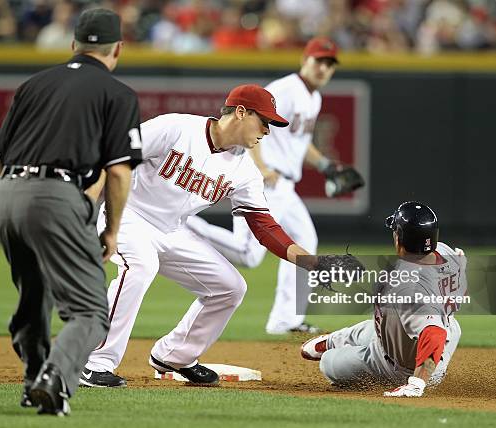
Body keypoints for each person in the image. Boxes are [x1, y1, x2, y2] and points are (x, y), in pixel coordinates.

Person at [79, 84, 362, 387]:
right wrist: (85, 204)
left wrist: (313, 263)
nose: (268, 131)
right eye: (264, 121)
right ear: (240, 112)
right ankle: (94, 362)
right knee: (140, 266)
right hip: (129, 216)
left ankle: (174, 355)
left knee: (230, 286)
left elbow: (264, 227)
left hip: (174, 229)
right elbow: (115, 156)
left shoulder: (245, 171)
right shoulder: (176, 127)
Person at [0, 8, 142, 416]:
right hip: (54, 197)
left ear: (73, 44)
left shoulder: (33, 84)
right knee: (90, 309)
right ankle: (54, 378)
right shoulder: (117, 93)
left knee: (33, 295)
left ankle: (32, 379)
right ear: (118, 49)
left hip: (3, 197)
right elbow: (120, 173)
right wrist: (111, 229)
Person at [186, 37, 364, 335]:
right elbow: (255, 121)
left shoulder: (314, 98)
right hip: (268, 179)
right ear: (304, 60)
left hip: (286, 185)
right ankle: (185, 223)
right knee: (248, 253)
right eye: (319, 60)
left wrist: (326, 166)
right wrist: (260, 166)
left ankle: (286, 320)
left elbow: (301, 143)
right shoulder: (285, 89)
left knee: (305, 239)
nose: (323, 68)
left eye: (329, 64)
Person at [301, 202, 467, 397]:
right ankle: (337, 339)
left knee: (328, 363)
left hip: (404, 367)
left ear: (399, 238)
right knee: (385, 319)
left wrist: (416, 383)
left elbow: (434, 333)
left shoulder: (408, 285)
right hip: (443, 331)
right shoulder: (446, 252)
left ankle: (339, 347)